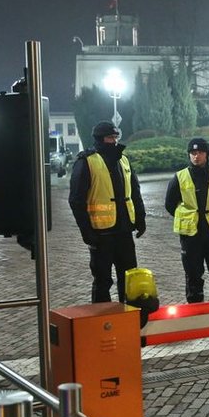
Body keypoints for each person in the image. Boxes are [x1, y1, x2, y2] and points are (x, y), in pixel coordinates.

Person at [68, 121, 146, 303]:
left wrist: (140, 218)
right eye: (110, 138)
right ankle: (101, 320)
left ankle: (128, 317)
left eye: (115, 137)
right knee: (102, 281)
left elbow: (135, 191)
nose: (114, 141)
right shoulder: (86, 161)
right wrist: (86, 231)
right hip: (101, 234)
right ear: (100, 139)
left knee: (129, 278)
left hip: (124, 231)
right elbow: (76, 201)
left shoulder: (124, 160)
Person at [165, 137, 209, 303]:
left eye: (200, 152)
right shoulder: (179, 177)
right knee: (193, 274)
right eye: (193, 153)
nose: (196, 156)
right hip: (191, 235)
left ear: (207, 154)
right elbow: (169, 204)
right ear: (189, 155)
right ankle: (195, 310)